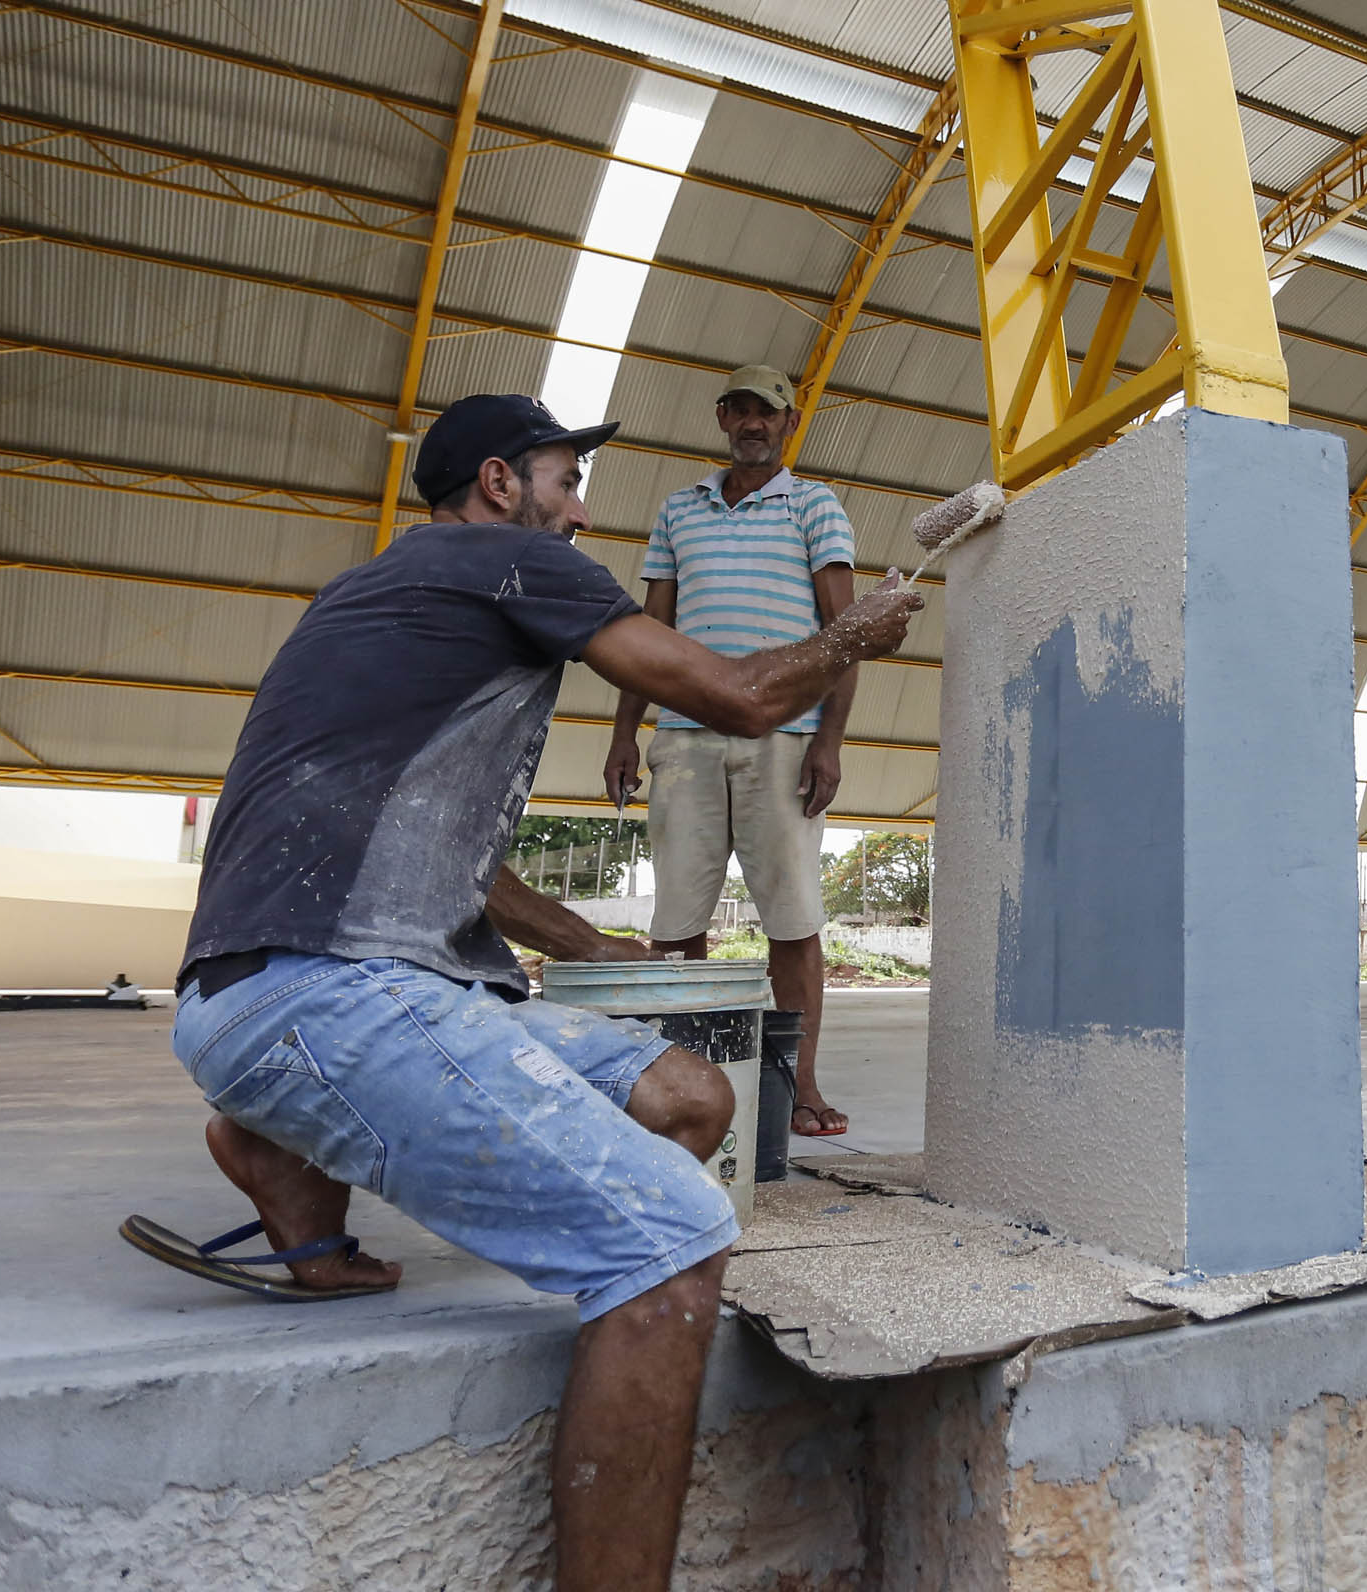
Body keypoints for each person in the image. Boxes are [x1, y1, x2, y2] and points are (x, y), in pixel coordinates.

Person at [148, 392, 918, 1592]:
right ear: (502, 484)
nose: (581, 505)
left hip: (249, 997)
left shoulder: (362, 598)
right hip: (343, 990)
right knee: (671, 1236)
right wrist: (855, 630)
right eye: (566, 478)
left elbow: (443, 848)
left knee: (688, 1098)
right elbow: (746, 697)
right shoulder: (506, 558)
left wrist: (587, 939)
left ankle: (276, 1152)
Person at [603, 363, 862, 1138]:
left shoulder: (815, 503)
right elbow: (649, 633)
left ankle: (801, 1086)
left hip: (782, 739)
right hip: (682, 739)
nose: (753, 423)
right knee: (677, 923)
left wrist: (829, 739)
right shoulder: (679, 509)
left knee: (792, 919)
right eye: (739, 410)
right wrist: (625, 730)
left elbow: (844, 633)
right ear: (721, 418)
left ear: (788, 423)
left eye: (767, 412)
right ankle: (680, 1086)